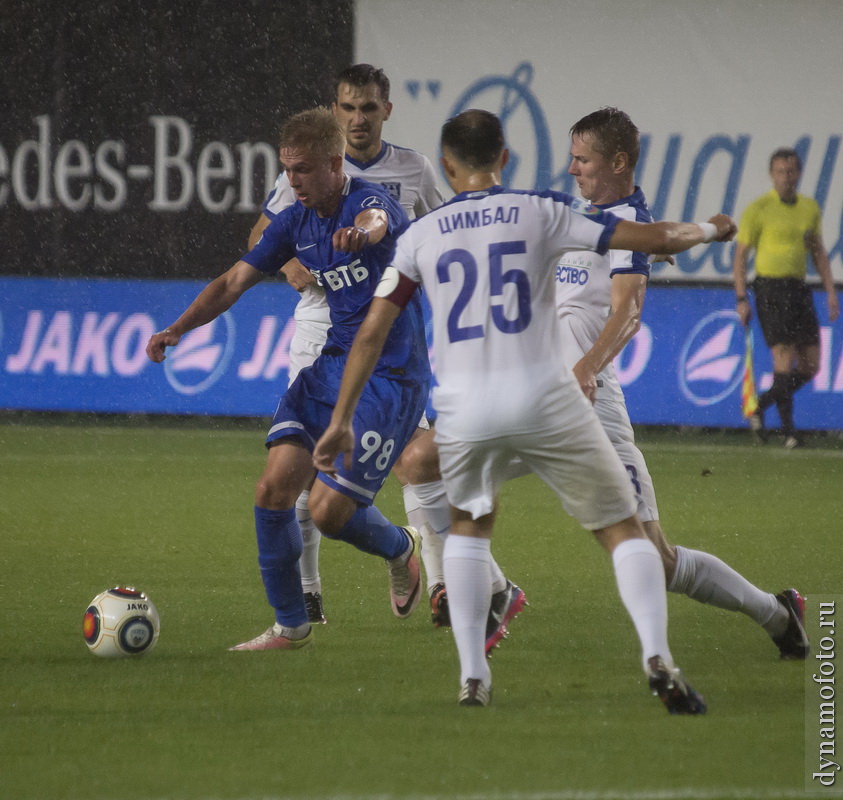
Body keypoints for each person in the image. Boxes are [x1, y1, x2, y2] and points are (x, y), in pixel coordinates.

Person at [314, 109, 736, 711]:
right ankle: (656, 655)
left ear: (449, 166)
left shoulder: (422, 234)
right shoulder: (539, 209)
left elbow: (371, 334)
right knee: (623, 530)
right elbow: (655, 239)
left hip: (467, 410)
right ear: (504, 158)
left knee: (467, 532)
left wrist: (338, 421)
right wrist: (713, 228)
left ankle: (473, 677)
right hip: (544, 397)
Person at [250, 64, 521, 638]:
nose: (357, 119)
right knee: (297, 477)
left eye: (368, 108)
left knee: (412, 463)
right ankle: (308, 598)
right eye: (348, 107)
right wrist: (300, 267)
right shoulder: (307, 170)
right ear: (335, 109)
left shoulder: (412, 169)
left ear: (385, 112)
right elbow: (263, 236)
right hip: (320, 332)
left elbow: (444, 230)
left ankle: (448, 579)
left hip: (390, 334)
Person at [146, 107, 429, 651]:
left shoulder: (368, 202)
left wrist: (360, 236)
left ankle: (400, 549)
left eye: (301, 170)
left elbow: (379, 224)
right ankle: (291, 625)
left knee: (328, 513)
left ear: (333, 161)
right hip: (332, 365)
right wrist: (178, 328)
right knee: (274, 488)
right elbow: (233, 283)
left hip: (390, 376)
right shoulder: (294, 221)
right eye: (287, 169)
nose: (292, 181)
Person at [559, 108, 810, 660]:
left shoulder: (626, 222)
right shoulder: (586, 214)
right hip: (542, 400)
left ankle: (775, 612)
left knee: (654, 556)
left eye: (582, 159)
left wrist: (586, 368)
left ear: (618, 161)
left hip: (589, 403)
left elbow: (627, 314)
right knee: (442, 466)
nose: (571, 168)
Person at [732, 147, 840, 448]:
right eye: (780, 172)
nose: (786, 178)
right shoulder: (759, 209)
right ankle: (790, 433)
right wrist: (741, 297)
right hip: (769, 289)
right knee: (784, 354)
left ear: (799, 173)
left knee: (810, 364)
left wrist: (831, 291)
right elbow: (740, 256)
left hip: (798, 288)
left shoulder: (809, 208)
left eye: (791, 171)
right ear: (771, 175)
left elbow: (817, 251)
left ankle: (760, 405)